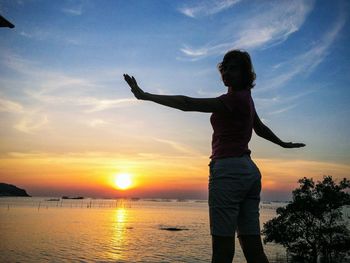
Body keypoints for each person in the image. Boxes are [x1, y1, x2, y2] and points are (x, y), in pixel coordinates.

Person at [123, 49, 305, 263]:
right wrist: (282, 144)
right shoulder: (246, 97)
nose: (227, 72)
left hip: (228, 173)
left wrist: (145, 96)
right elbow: (259, 127)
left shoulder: (233, 100)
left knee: (222, 251)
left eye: (233, 68)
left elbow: (187, 104)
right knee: (253, 249)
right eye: (225, 68)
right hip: (249, 172)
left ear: (246, 73)